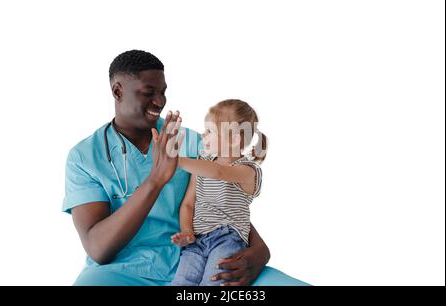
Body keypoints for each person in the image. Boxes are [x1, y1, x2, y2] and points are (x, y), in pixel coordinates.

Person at [63, 50, 308, 286]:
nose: (159, 101)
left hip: (205, 257)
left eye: (162, 92)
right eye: (149, 92)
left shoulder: (194, 143)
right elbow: (98, 250)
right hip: (123, 272)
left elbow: (223, 203)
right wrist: (156, 179)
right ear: (117, 91)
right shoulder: (84, 158)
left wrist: (259, 252)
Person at [170, 99, 268, 286]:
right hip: (196, 243)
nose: (203, 135)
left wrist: (175, 160)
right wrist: (187, 232)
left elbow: (219, 172)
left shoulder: (247, 170)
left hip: (227, 239)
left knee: (213, 282)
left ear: (235, 139)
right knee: (181, 283)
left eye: (210, 131)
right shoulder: (202, 162)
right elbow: (188, 204)